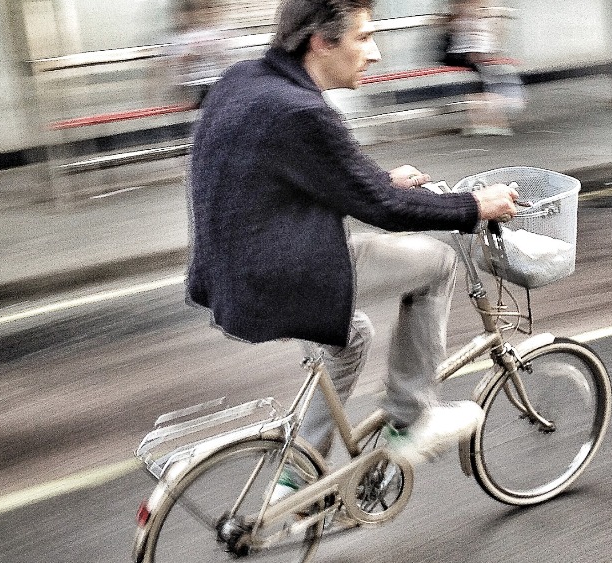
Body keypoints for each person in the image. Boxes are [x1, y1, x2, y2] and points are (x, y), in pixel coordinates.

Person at [186, 0, 521, 479]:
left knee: (351, 337)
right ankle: (413, 420)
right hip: (278, 274)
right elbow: (384, 209)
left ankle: (297, 479)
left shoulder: (244, 80)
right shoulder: (301, 111)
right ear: (321, 42)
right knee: (437, 264)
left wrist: (382, 181)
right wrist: (474, 206)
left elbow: (310, 173)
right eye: (363, 38)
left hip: (230, 273)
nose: (375, 53)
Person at [443, 0, 524, 136]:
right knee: (485, 84)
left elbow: (474, 34)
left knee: (482, 85)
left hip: (469, 53)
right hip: (469, 53)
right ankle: (492, 122)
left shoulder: (467, 10)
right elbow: (476, 35)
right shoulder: (472, 10)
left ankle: (488, 123)